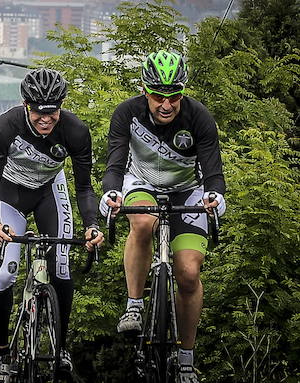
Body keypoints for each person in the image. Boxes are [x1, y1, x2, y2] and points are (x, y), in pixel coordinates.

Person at [99, 51, 226, 383]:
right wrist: (111, 192)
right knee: (142, 221)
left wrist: (216, 196)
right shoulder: (127, 113)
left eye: (174, 96)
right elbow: (115, 162)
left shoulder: (199, 117)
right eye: (158, 96)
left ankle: (186, 357)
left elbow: (213, 171)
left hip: (187, 191)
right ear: (145, 90)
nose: (166, 104)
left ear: (182, 93)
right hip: (141, 182)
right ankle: (134, 304)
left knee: (187, 274)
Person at [0, 68, 104, 383]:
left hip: (49, 190)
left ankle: (60, 349)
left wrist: (91, 225)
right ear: (25, 104)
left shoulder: (75, 131)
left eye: (52, 112)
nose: (46, 119)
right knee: (5, 272)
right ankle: (0, 353)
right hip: (10, 193)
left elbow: (85, 188)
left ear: (61, 106)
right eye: (38, 112)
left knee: (61, 265)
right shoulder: (6, 126)